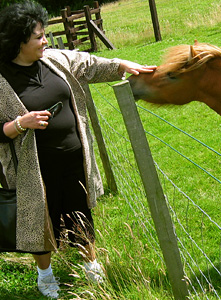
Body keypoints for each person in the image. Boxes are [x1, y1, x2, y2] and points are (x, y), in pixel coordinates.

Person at [0, 1, 156, 298]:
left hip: (73, 160)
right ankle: (45, 276)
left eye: (44, 34)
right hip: (33, 170)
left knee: (80, 211)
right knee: (39, 221)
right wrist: (20, 124)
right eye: (38, 37)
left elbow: (88, 64)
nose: (45, 41)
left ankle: (91, 267)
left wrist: (124, 66)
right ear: (19, 42)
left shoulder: (53, 60)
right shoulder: (1, 80)